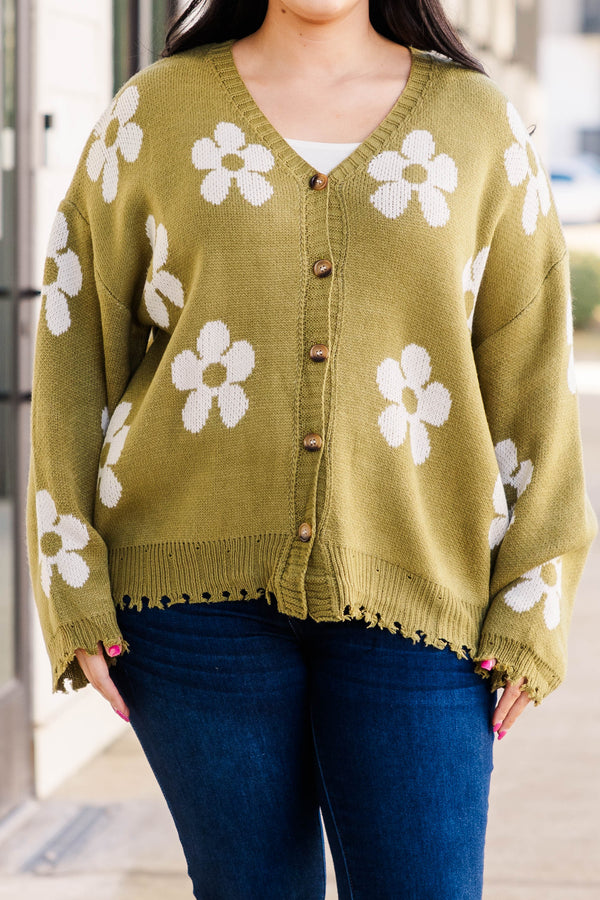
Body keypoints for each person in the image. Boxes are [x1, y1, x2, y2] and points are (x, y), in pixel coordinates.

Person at [26, 1, 598, 897]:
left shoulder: (476, 124)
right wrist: (70, 585)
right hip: (187, 607)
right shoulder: (153, 114)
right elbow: (73, 343)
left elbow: (533, 378)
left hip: (421, 596)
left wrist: (535, 598)